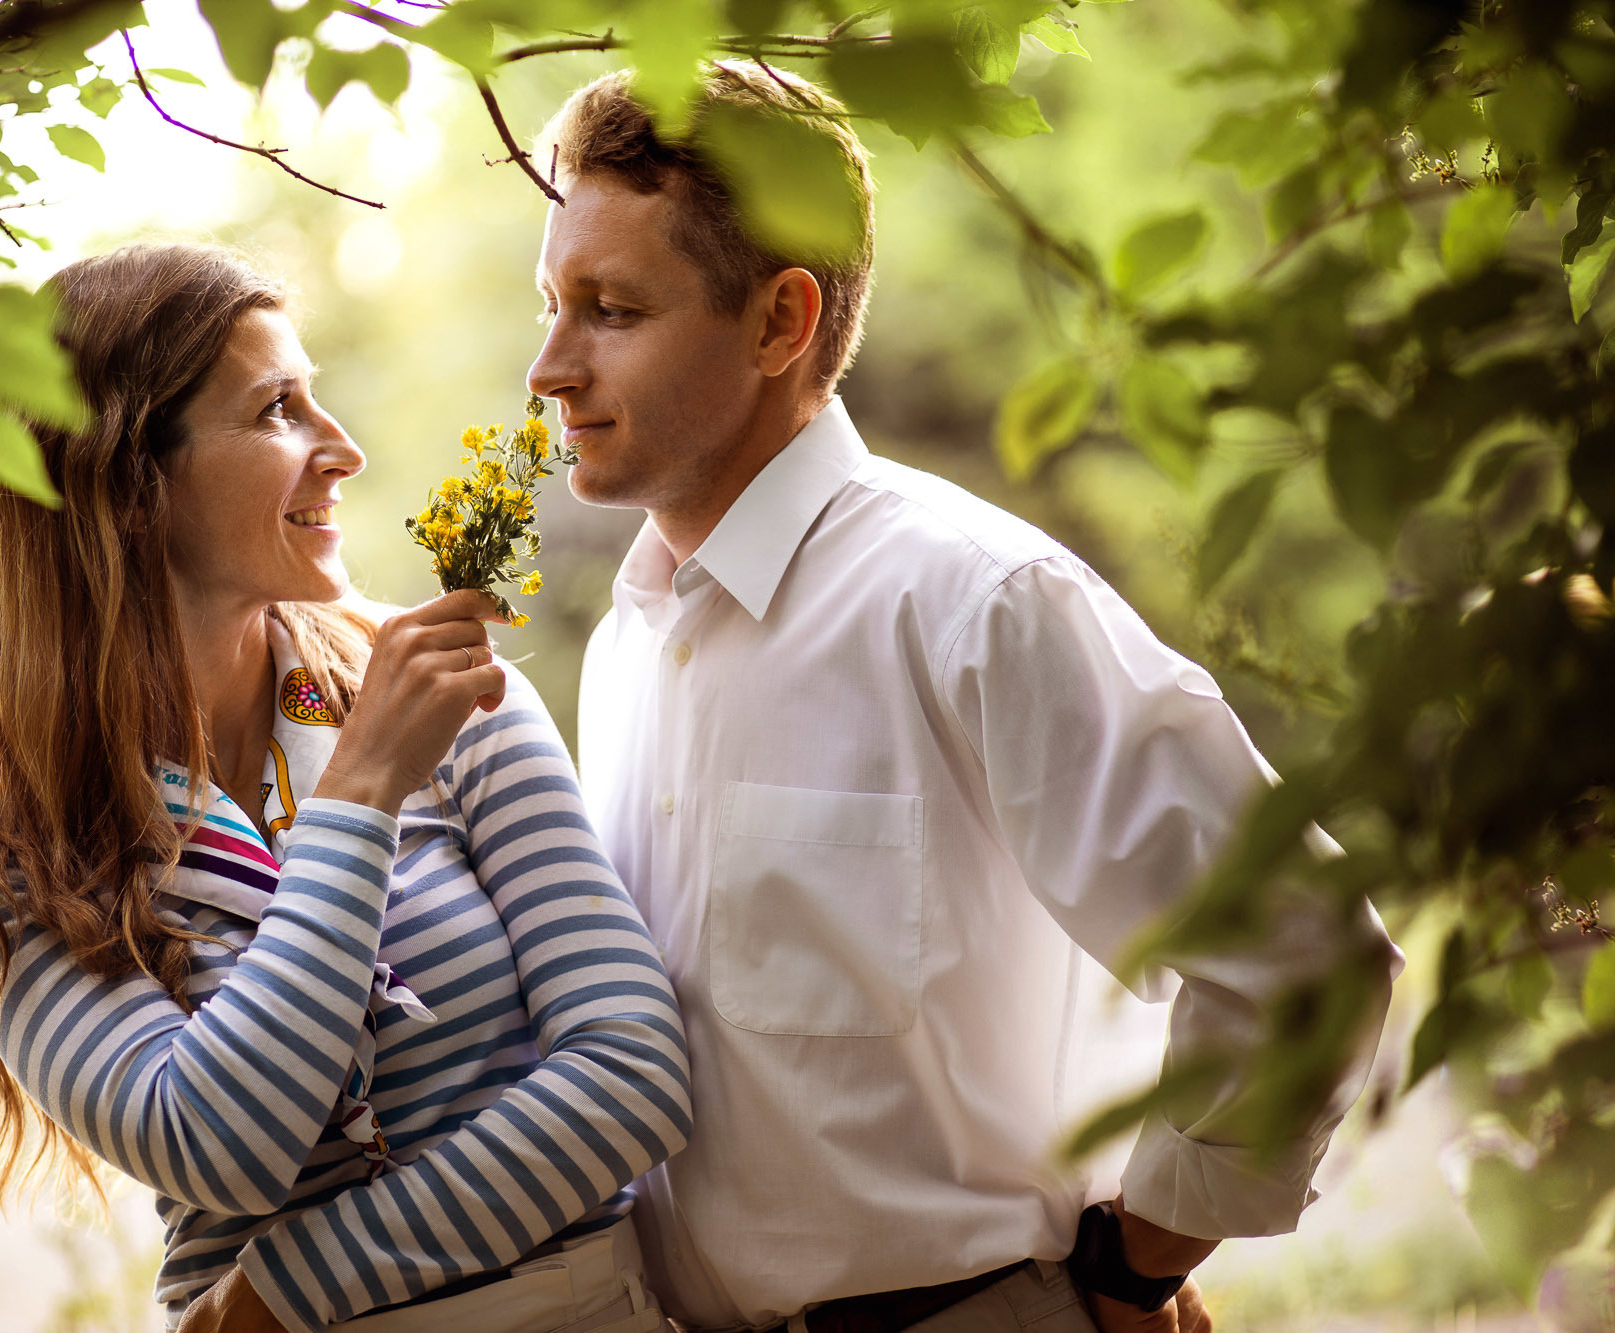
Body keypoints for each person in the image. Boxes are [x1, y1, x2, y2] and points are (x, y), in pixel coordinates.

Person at [527, 65, 1402, 1333]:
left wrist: (1136, 1263)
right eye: (550, 304)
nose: (547, 367)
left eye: (609, 309)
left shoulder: (974, 603)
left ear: (778, 323)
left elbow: (1303, 953)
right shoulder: (624, 646)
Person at [0, 243, 691, 1333]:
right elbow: (214, 1144)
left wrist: (280, 1290)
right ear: (131, 486)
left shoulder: (451, 697)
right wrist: (359, 796)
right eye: (279, 409)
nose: (345, 450)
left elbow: (634, 1073)